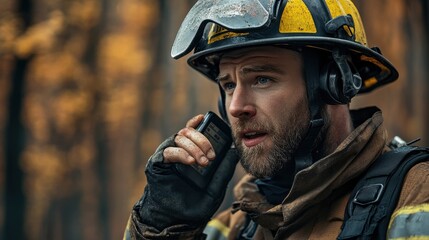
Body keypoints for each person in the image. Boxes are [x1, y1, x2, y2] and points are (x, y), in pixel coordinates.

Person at [124, 0, 429, 239]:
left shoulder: (416, 196)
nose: (236, 107)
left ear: (333, 83)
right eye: (229, 85)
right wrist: (161, 229)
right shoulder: (231, 228)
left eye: (262, 79)